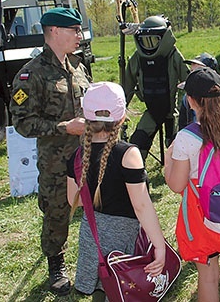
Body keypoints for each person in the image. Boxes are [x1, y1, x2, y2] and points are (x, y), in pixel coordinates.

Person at [10, 7, 92, 295]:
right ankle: (56, 263)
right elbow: (22, 122)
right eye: (75, 31)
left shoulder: (78, 67)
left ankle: (97, 257)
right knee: (58, 211)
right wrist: (63, 127)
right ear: (54, 32)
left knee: (96, 205)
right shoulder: (31, 75)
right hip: (56, 160)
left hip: (87, 154)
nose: (79, 36)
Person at [66, 82, 166, 301]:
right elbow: (141, 205)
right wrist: (159, 244)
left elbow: (73, 199)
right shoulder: (128, 154)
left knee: (103, 284)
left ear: (87, 118)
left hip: (92, 234)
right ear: (122, 118)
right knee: (125, 287)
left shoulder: (76, 156)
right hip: (125, 236)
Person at [164, 68, 220, 302]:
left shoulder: (187, 137)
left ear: (191, 101)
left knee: (207, 277)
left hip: (202, 217)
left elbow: (176, 185)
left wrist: (168, 160)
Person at [124, 15, 190, 161]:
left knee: (177, 145)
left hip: (173, 112)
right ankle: (133, 171)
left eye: (153, 40)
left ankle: (176, 171)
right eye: (145, 41)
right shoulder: (137, 58)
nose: (149, 45)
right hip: (152, 110)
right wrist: (120, 110)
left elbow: (188, 81)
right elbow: (127, 86)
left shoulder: (173, 55)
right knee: (137, 143)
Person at [177, 52, 218, 130]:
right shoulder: (187, 98)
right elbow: (182, 125)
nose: (192, 76)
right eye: (191, 71)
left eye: (198, 72)